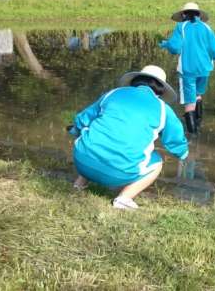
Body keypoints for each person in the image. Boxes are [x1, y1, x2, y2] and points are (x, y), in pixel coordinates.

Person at [69, 65, 188, 210]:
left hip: (81, 161)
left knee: (96, 137)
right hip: (116, 174)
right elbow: (175, 140)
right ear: (161, 89)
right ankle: (123, 199)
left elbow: (83, 119)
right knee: (157, 162)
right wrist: (183, 154)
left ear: (136, 80)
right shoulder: (163, 109)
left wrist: (75, 130)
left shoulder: (114, 93)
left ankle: (79, 184)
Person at [159, 2, 215, 136]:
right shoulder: (207, 27)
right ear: (199, 15)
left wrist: (166, 45)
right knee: (198, 94)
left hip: (188, 70)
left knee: (189, 102)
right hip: (205, 69)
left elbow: (175, 48)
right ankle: (199, 120)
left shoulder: (181, 26)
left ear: (183, 14)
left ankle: (192, 136)